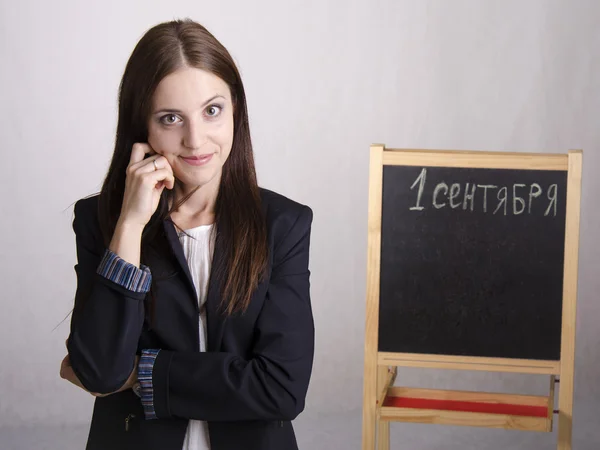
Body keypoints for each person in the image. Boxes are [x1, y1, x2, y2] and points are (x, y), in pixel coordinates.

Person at [59, 18, 314, 450]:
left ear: (236, 111)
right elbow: (100, 371)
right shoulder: (100, 219)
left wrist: (148, 374)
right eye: (171, 118)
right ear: (143, 127)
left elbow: (282, 388)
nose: (196, 140)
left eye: (212, 111)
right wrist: (130, 224)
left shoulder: (283, 224)